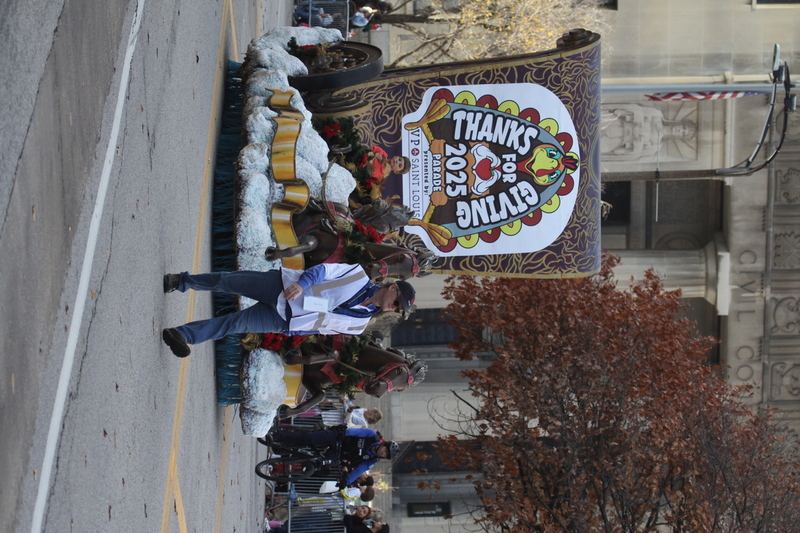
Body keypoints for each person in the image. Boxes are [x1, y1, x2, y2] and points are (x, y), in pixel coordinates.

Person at [161, 264, 415, 357]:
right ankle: (182, 281)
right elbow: (322, 271)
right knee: (227, 281)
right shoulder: (357, 276)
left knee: (233, 325)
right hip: (282, 287)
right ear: (392, 287)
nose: (393, 308)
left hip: (284, 319)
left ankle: (183, 336)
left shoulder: (360, 325)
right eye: (397, 301)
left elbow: (322, 330)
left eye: (397, 309)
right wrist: (302, 284)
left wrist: (294, 333)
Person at [264, 426, 398, 485]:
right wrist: (344, 433)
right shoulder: (371, 435)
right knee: (308, 439)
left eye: (385, 455)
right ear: (384, 444)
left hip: (338, 454)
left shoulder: (371, 460)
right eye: (385, 450)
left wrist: (346, 482)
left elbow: (358, 471)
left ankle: (281, 459)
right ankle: (276, 436)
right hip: (337, 438)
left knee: (318, 464)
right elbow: (355, 431)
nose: (383, 453)